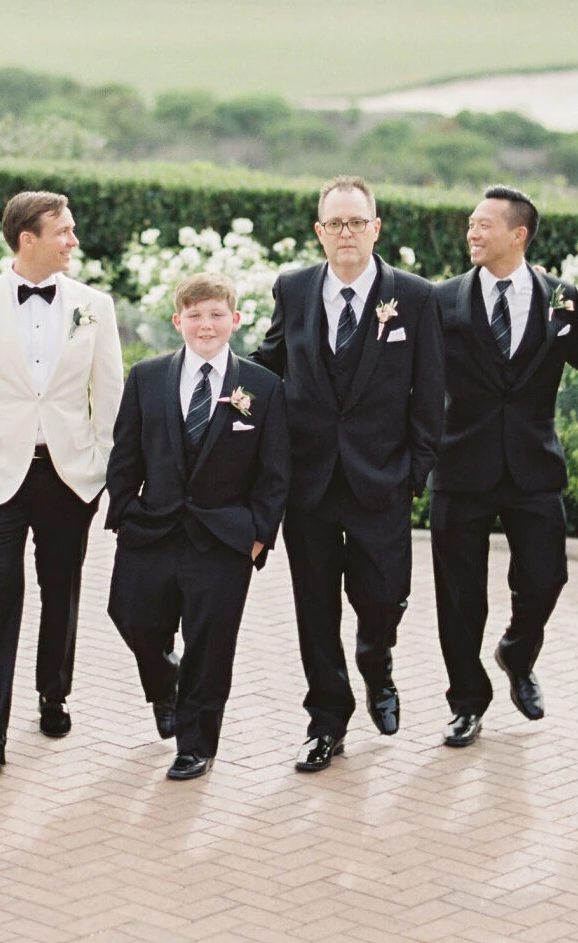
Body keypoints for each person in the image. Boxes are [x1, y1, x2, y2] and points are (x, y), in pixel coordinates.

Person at [252, 175, 443, 773]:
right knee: (314, 609)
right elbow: (269, 363)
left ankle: (377, 660)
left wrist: (414, 471)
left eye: (356, 222)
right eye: (334, 223)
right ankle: (326, 721)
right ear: (319, 231)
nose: (345, 233)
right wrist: (209, 369)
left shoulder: (415, 297)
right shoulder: (294, 287)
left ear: (375, 228)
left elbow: (431, 392)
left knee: (384, 597)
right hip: (308, 482)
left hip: (380, 480)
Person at [0, 190, 123, 770]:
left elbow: (109, 393)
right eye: (62, 231)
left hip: (69, 474)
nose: (73, 241)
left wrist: (100, 462)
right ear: (27, 239)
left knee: (60, 589)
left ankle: (53, 693)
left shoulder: (95, 305)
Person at [428, 186, 578, 748]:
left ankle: (518, 651)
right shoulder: (443, 300)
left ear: (519, 235)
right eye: (470, 224)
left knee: (545, 578)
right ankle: (466, 701)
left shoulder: (563, 299)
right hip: (460, 465)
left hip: (533, 466)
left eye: (485, 225)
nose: (473, 234)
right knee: (460, 596)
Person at [105, 273, 289, 780]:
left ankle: (196, 744)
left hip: (224, 539)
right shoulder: (146, 376)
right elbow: (126, 451)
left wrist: (258, 535)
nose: (205, 324)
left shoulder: (263, 387)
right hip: (153, 528)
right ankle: (165, 685)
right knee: (131, 616)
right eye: (194, 314)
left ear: (234, 319)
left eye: (215, 314)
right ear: (177, 320)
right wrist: (123, 511)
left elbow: (275, 471)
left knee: (210, 645)